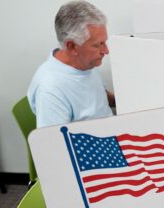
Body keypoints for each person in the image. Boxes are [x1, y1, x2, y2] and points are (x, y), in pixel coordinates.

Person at [28, 0, 115, 128]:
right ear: (72, 46)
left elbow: (99, 96)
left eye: (104, 42)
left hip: (112, 130)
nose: (106, 51)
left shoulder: (85, 62)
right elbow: (54, 144)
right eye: (98, 45)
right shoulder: (50, 90)